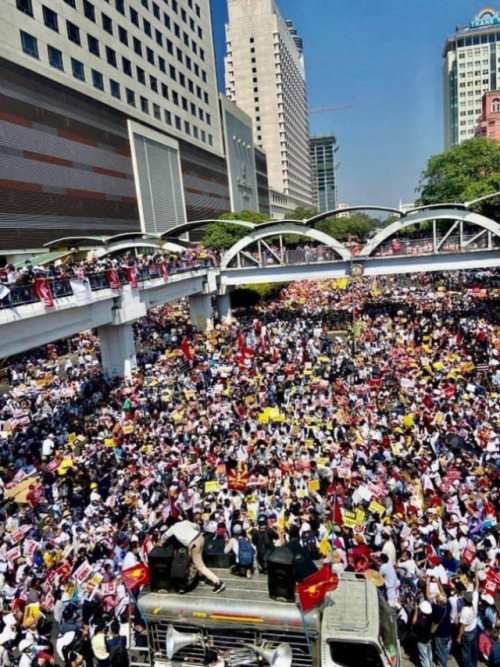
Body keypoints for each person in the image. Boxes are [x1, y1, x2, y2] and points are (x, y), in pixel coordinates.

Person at [163, 519, 225, 594]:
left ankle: (218, 583)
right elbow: (197, 527)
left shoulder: (172, 528)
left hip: (193, 544)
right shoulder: (185, 522)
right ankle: (202, 577)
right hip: (200, 538)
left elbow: (164, 537)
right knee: (198, 560)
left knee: (200, 566)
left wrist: (159, 542)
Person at [457, 565, 480, 667]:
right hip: (474, 628)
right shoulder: (474, 598)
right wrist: (476, 572)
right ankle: (474, 664)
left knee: (466, 652)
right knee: (474, 648)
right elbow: (477, 586)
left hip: (467, 632)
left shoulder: (464, 611)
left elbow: (462, 626)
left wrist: (459, 636)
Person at [412, 600, 433, 667]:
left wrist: (415, 610)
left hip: (421, 641)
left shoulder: (421, 622)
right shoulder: (430, 618)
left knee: (424, 658)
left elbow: (413, 622)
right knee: (429, 654)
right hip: (428, 639)